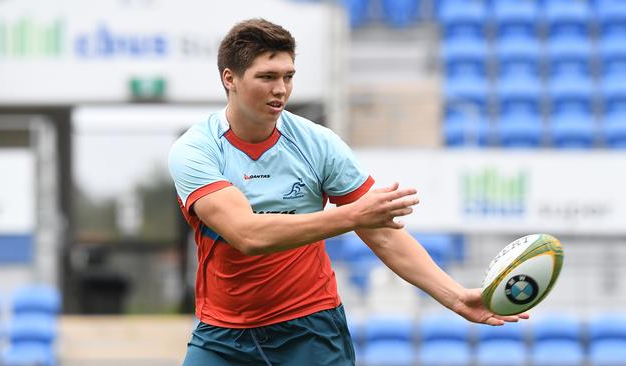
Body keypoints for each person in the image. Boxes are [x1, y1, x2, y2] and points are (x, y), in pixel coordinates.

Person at [168, 18, 528, 366]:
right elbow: (247, 234)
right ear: (229, 79)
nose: (280, 89)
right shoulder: (196, 151)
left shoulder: (319, 144)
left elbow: (383, 236)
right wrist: (353, 215)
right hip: (222, 334)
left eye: (288, 76)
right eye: (267, 77)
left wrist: (456, 297)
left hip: (309, 329)